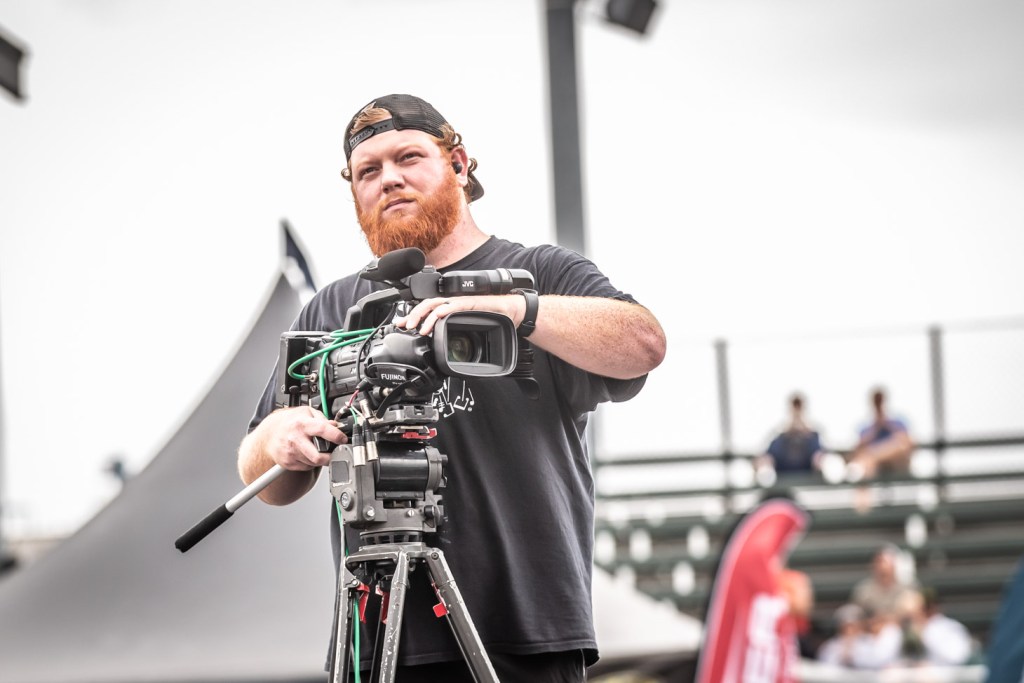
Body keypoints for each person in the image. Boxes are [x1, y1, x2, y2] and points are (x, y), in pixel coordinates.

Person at [237, 94, 667, 683]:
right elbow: (263, 479)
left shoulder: (539, 272)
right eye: (368, 171)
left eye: (408, 157)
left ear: (459, 165)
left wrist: (507, 308)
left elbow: (643, 342)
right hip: (379, 636)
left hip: (525, 630)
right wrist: (277, 438)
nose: (389, 179)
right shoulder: (334, 308)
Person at [847, 386, 915, 480]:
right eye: (876, 401)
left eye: (880, 400)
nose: (879, 404)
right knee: (866, 464)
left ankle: (874, 457)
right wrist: (876, 428)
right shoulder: (865, 426)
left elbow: (908, 443)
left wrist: (887, 424)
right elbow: (858, 447)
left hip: (897, 463)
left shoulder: (898, 421)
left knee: (899, 444)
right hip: (873, 467)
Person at [850, 543, 921, 628]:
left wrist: (892, 620)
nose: (882, 566)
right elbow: (857, 616)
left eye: (885, 562)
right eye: (879, 561)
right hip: (873, 630)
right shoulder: (864, 589)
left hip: (902, 629)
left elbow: (915, 612)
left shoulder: (908, 586)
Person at [756, 392, 826, 477]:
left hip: (807, 471)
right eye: (794, 407)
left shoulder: (812, 436)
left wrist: (805, 431)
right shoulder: (780, 434)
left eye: (799, 407)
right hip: (783, 470)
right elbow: (768, 456)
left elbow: (819, 454)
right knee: (765, 462)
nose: (796, 412)